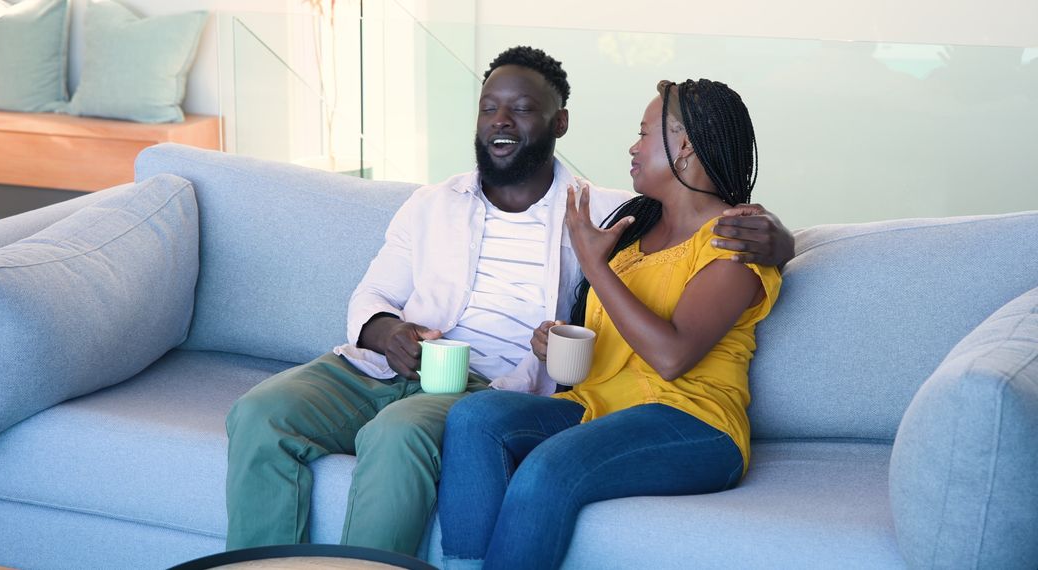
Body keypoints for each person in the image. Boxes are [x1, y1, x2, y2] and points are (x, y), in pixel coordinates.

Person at [225, 47, 793, 556]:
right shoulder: (435, 203)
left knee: (409, 432)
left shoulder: (600, 214)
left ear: (558, 122)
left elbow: (712, 235)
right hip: (387, 365)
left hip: (494, 381)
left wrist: (782, 239)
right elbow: (372, 293)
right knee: (258, 412)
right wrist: (385, 331)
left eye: (521, 108)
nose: (500, 120)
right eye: (489, 106)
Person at [437, 78, 782, 570]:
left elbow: (671, 356)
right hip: (596, 407)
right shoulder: (636, 232)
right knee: (476, 417)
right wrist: (556, 342)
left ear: (684, 145)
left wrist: (593, 263)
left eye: (644, 134)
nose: (633, 147)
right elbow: (617, 345)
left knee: (550, 466)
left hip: (693, 423)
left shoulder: (732, 239)